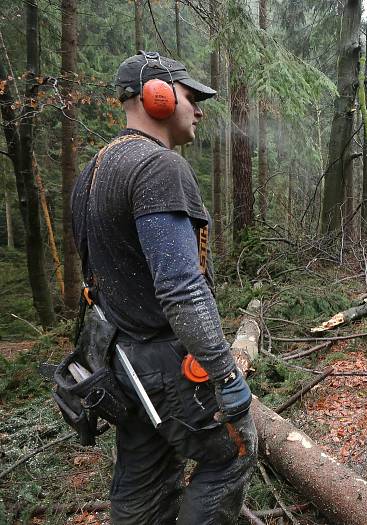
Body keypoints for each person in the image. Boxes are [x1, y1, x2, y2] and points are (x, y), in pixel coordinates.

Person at [71, 51, 256, 524]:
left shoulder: (94, 171)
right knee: (231, 455)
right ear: (156, 96)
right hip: (162, 361)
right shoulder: (159, 168)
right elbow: (181, 289)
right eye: (191, 97)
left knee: (145, 472)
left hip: (120, 360)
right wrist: (226, 376)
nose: (199, 110)